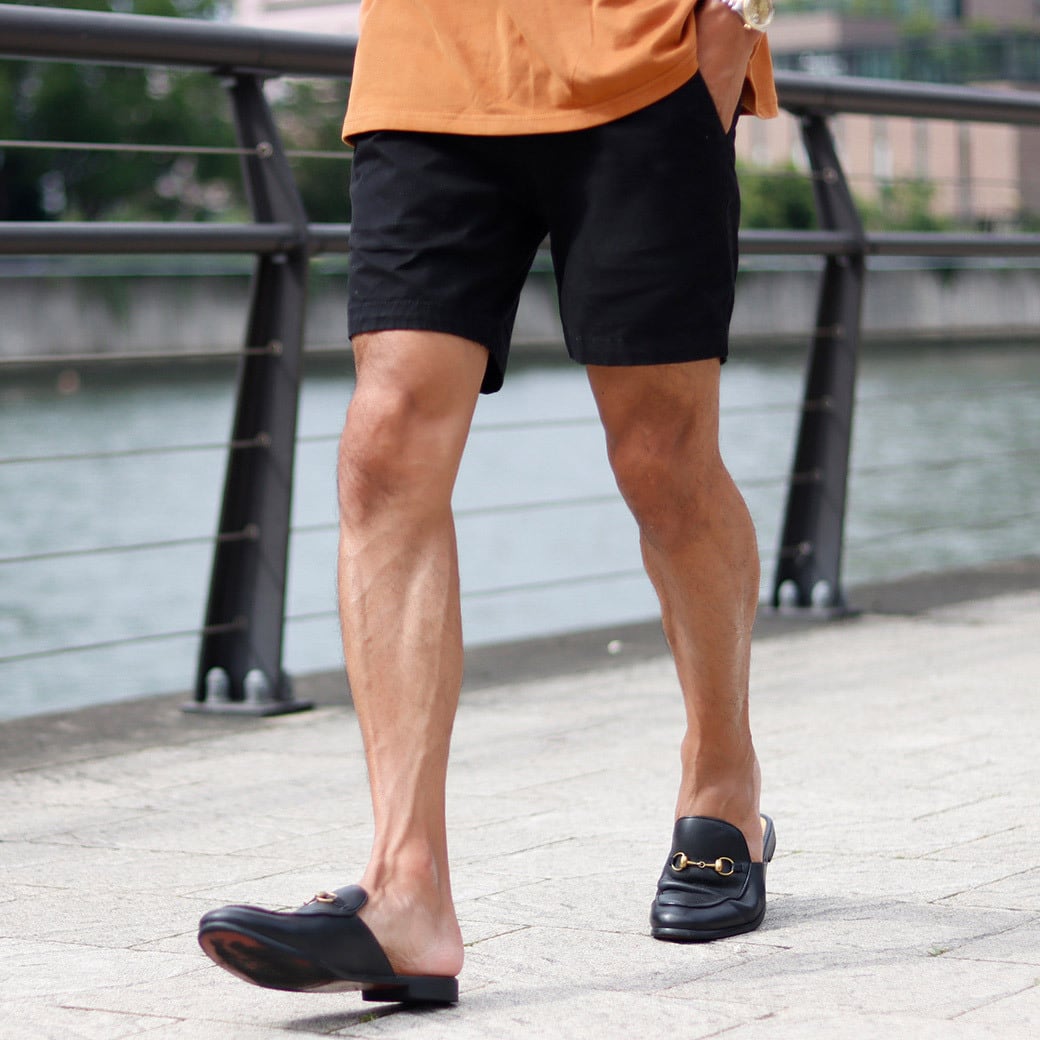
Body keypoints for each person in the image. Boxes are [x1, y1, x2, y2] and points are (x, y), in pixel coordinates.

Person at [198, 0, 779, 1005]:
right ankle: (405, 891)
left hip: (641, 64)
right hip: (426, 64)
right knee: (383, 449)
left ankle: (722, 780)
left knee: (662, 458)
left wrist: (733, 26)